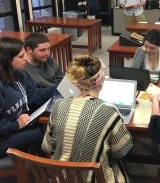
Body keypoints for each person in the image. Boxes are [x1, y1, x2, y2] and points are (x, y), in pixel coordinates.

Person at [42, 54, 133, 183]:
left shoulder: (59, 106)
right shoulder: (109, 111)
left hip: (61, 178)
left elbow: (48, 147)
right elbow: (122, 150)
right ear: (100, 81)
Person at [0, 37, 57, 158]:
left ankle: (45, 168)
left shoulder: (18, 75)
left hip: (15, 128)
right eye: (21, 56)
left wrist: (59, 87)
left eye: (24, 54)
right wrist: (16, 124)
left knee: (52, 125)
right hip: (3, 137)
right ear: (6, 59)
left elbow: (35, 96)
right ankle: (45, 170)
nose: (26, 58)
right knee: (46, 132)